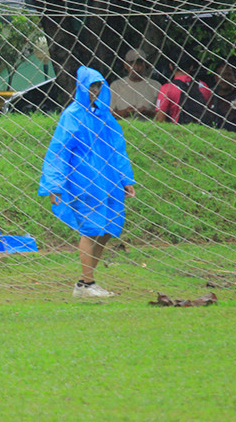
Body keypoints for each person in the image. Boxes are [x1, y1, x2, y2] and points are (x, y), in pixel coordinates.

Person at [39, 66, 136, 298]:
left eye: (98, 86)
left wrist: (125, 178)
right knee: (91, 229)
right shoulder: (72, 115)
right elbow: (59, 151)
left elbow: (117, 148)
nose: (94, 90)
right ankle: (86, 283)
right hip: (84, 180)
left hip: (108, 179)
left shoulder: (104, 116)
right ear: (81, 88)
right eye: (91, 86)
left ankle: (87, 282)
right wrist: (55, 184)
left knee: (106, 229)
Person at [155, 50, 212, 124]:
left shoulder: (167, 88)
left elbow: (160, 118)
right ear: (191, 67)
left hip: (176, 132)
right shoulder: (204, 86)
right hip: (200, 131)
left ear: (171, 66)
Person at [202, 61, 236, 132]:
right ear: (215, 78)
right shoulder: (209, 95)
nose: (223, 78)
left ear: (235, 77)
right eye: (219, 75)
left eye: (227, 75)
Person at [109, 49, 161, 119]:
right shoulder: (116, 86)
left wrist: (147, 112)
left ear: (145, 64)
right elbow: (108, 114)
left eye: (139, 63)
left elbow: (162, 115)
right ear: (126, 65)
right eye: (132, 63)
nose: (136, 67)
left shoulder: (155, 86)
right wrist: (125, 112)